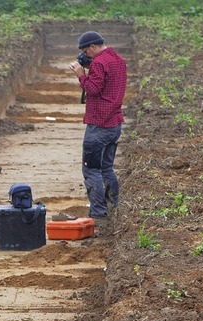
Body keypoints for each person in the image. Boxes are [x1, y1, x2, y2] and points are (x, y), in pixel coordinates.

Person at [69, 31, 127, 220]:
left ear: (93, 47)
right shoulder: (117, 59)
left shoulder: (100, 63)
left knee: (91, 169)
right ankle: (113, 207)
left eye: (87, 52)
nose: (86, 56)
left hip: (99, 124)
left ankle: (98, 214)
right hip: (114, 122)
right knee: (106, 168)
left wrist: (80, 75)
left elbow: (92, 89)